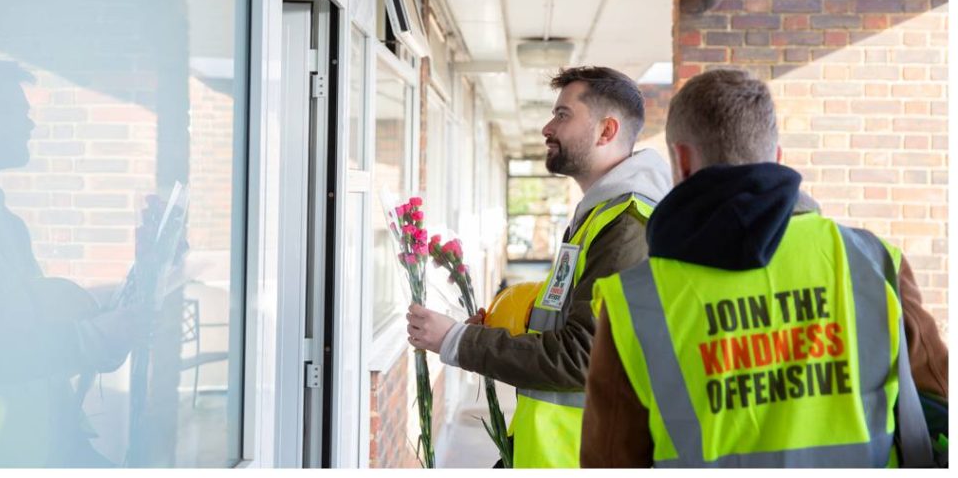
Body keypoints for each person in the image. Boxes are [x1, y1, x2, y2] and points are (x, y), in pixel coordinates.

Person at [582, 68, 949, 468]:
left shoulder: (636, 301)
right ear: (775, 157)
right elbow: (939, 398)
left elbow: (610, 461)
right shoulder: (873, 262)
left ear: (682, 161)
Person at [406, 65, 672, 467]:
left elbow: (582, 357)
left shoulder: (627, 225)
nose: (548, 128)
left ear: (606, 131)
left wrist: (456, 341)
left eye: (563, 115)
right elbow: (567, 321)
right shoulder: (600, 215)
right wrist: (505, 322)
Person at [0, 60, 155, 467]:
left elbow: (27, 326)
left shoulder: (4, 222)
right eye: (6, 110)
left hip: (48, 443)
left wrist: (135, 287)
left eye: (24, 113)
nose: (28, 125)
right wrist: (87, 339)